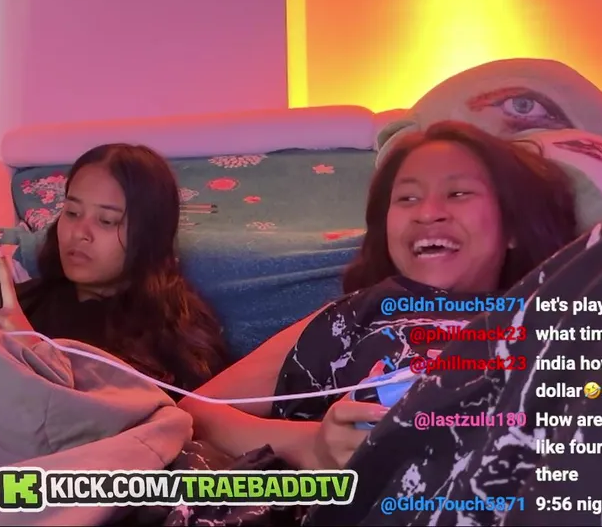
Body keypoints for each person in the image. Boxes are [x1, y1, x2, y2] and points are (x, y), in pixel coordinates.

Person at [181, 121, 578, 470]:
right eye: (407, 198)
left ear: (513, 228)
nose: (427, 213)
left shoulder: (557, 316)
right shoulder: (358, 315)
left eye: (458, 193)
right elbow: (193, 413)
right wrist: (310, 445)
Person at [0, 143, 231, 393]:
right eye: (72, 213)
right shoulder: (23, 299)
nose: (79, 233)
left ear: (150, 234)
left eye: (107, 221)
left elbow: (110, 421)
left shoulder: (174, 334)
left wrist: (20, 333)